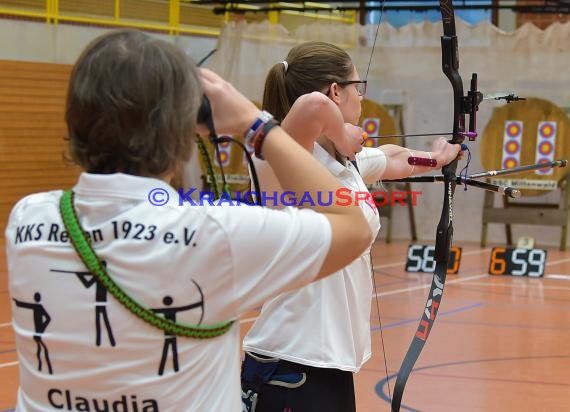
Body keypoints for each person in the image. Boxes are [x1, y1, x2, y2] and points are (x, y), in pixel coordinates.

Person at [5, 30, 374, 412]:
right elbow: (353, 227)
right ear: (184, 133)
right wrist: (253, 124)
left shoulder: (28, 219)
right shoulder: (216, 233)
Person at [241, 41, 463, 412]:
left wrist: (437, 157)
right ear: (334, 92)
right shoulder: (280, 161)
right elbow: (311, 109)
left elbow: (393, 157)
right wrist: (343, 134)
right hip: (290, 365)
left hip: (325, 365)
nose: (360, 97)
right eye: (357, 88)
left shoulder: (342, 163)